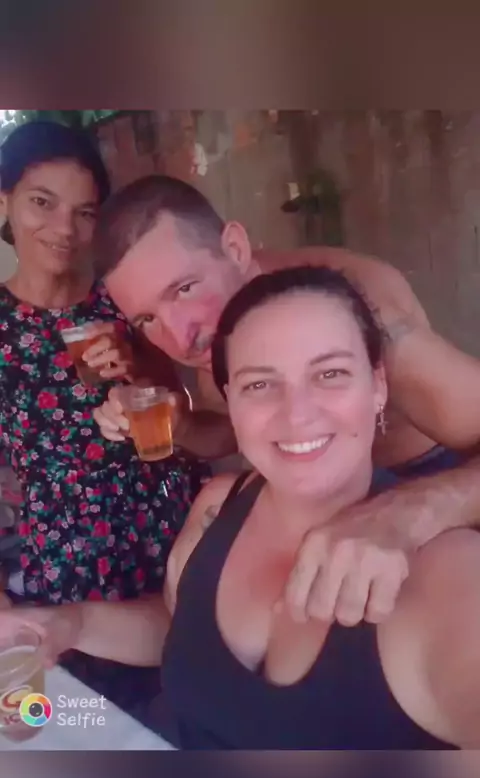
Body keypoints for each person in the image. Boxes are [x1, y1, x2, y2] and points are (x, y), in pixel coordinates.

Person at [4, 267, 480, 749]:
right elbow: (181, 626)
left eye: (330, 374)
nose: (297, 413)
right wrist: (70, 623)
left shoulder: (447, 571)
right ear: (230, 401)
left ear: (377, 385)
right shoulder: (218, 504)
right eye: (259, 385)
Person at [90, 174, 480, 626]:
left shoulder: (352, 314)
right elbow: (231, 432)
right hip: (325, 521)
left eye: (184, 289)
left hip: (434, 496)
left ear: (235, 248)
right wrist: (184, 427)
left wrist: (410, 511)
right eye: (147, 319)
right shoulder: (225, 328)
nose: (179, 337)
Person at [0, 122, 209, 604]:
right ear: (6, 201)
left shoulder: (124, 298)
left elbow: (183, 410)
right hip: (70, 558)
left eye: (85, 212)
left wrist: (137, 367)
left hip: (174, 529)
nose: (64, 230)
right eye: (42, 202)